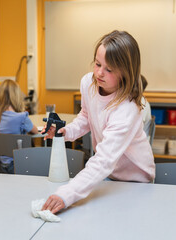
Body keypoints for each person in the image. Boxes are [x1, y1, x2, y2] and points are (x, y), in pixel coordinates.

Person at [41, 30, 155, 214]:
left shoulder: (127, 109)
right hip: (109, 173)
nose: (99, 73)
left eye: (109, 69)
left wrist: (66, 194)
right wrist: (67, 132)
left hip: (135, 179)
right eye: (97, 64)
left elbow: (102, 160)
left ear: (125, 72)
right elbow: (86, 115)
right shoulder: (88, 83)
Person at [0, 79, 38, 174]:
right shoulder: (21, 117)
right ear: (17, 96)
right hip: (17, 165)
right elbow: (35, 131)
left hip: (0, 165)